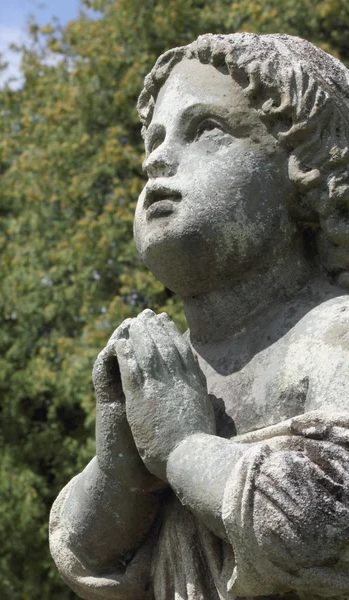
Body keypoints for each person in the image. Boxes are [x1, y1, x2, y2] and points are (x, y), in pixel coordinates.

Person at [50, 33, 349, 600]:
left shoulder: (335, 335)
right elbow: (86, 555)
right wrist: (120, 474)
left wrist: (185, 451)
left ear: (307, 169)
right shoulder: (166, 366)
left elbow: (331, 521)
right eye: (154, 140)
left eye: (205, 129)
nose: (158, 157)